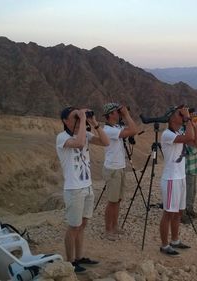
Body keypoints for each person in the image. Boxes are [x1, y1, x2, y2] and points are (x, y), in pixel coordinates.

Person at [56, 106, 110, 273]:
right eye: (75, 117)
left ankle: (79, 258)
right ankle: (70, 261)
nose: (79, 119)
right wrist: (82, 120)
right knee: (73, 226)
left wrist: (94, 123)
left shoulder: (85, 134)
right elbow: (78, 143)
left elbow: (106, 142)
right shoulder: (61, 137)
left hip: (87, 187)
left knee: (82, 224)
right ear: (65, 121)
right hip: (73, 189)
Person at [159, 105, 197, 255]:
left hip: (181, 177)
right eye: (179, 113)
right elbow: (189, 138)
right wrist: (188, 118)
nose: (182, 115)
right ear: (171, 117)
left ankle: (175, 240)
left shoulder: (179, 131)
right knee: (168, 213)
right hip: (171, 179)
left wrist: (195, 124)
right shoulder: (167, 134)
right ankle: (164, 245)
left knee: (178, 213)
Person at [101, 102, 138, 241]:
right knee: (112, 201)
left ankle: (115, 226)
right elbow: (133, 130)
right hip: (112, 169)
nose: (119, 114)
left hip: (120, 167)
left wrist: (125, 115)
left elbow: (132, 130)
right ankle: (108, 230)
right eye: (117, 112)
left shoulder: (116, 127)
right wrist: (127, 115)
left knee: (118, 200)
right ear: (110, 114)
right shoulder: (109, 130)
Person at [181, 112, 197, 224]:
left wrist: (196, 127)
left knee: (193, 191)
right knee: (187, 192)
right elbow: (195, 148)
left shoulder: (191, 135)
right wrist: (195, 130)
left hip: (193, 169)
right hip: (187, 170)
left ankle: (190, 209)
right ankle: (183, 213)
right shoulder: (185, 136)